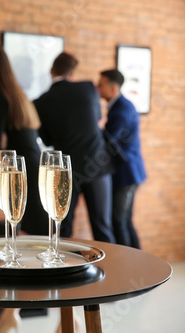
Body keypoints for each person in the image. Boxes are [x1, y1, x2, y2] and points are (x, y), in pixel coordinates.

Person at [33, 52, 116, 243]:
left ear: (51, 71)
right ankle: (113, 271)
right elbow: (97, 120)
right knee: (102, 227)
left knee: (62, 227)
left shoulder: (40, 102)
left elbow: (45, 138)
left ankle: (61, 268)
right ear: (72, 74)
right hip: (97, 164)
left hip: (67, 170)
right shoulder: (88, 88)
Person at [0, 45, 48, 236]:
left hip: (20, 170)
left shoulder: (1, 97)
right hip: (33, 164)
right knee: (35, 227)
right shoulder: (17, 94)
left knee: (27, 227)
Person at [97, 69, 146, 249]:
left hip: (126, 173)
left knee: (118, 220)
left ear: (112, 89)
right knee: (124, 220)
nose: (97, 88)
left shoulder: (121, 110)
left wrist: (99, 128)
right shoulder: (122, 106)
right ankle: (137, 261)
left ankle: (128, 264)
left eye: (100, 85)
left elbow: (110, 140)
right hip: (130, 172)